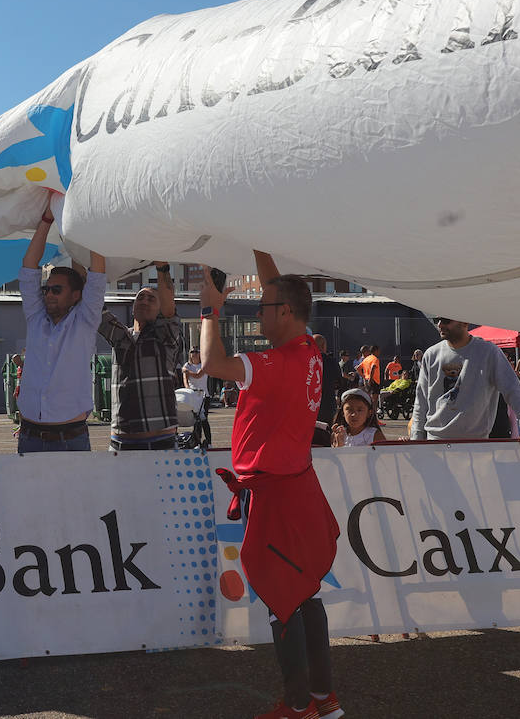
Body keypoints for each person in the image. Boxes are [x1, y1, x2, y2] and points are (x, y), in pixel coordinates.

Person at [198, 252, 343, 719]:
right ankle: (323, 699)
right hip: (297, 485)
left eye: (263, 305)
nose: (257, 310)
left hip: (277, 493)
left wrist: (209, 309)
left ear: (284, 313)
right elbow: (280, 288)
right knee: (306, 592)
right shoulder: (309, 352)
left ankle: (298, 705)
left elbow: (211, 362)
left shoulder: (278, 362)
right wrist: (258, 244)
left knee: (283, 599)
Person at [15, 197, 106, 453]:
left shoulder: (85, 320)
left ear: (76, 295)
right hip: (29, 436)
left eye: (57, 289)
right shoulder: (36, 318)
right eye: (47, 289)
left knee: (76, 496)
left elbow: (97, 274)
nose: (49, 294)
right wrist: (46, 220)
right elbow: (29, 267)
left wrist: (89, 224)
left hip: (70, 439)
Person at [410, 318, 520, 445]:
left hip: (476, 444)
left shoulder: (488, 352)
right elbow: (421, 401)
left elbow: (513, 390)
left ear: (465, 321)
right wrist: (416, 439)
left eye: (446, 321)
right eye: (436, 320)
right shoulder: (431, 354)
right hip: (435, 442)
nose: (440, 325)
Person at [99, 261, 182, 451]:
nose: (144, 301)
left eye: (151, 299)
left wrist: (162, 269)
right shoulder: (121, 337)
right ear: (133, 305)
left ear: (161, 309)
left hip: (160, 442)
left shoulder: (165, 337)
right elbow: (95, 308)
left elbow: (170, 311)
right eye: (140, 297)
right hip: (120, 443)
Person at [183, 347, 213, 449]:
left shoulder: (204, 365)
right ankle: (197, 442)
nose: (194, 354)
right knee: (196, 420)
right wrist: (188, 390)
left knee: (204, 419)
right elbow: (185, 381)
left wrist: (187, 372)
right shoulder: (187, 365)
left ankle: (209, 442)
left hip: (204, 396)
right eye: (192, 352)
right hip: (193, 396)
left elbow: (198, 375)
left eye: (196, 352)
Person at [313, 335, 342, 433]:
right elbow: (339, 381)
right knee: (327, 433)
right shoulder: (331, 361)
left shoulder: (303, 361)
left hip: (310, 405)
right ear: (324, 346)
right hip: (327, 404)